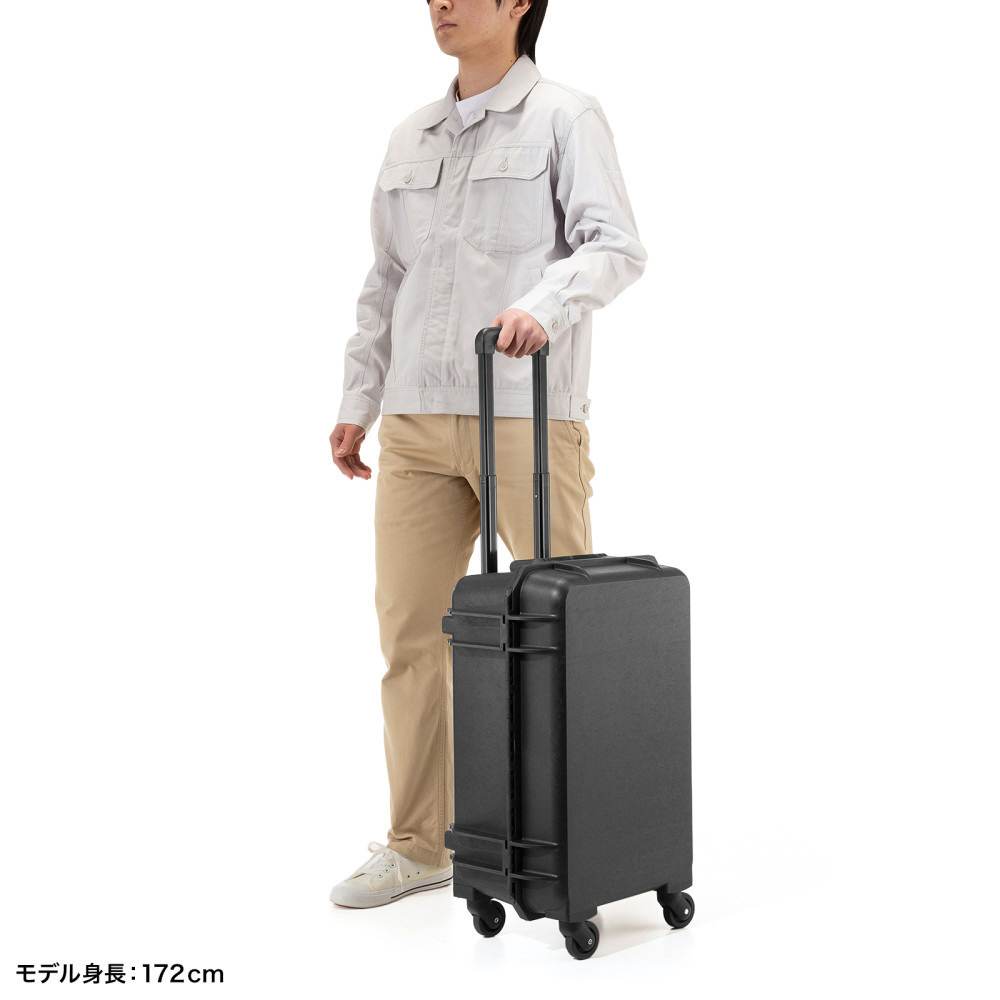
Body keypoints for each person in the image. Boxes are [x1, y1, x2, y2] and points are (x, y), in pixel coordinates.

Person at [328, 0, 647, 908]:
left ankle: (586, 840)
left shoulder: (565, 116)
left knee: (561, 632)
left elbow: (616, 246)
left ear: (519, 4)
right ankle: (418, 842)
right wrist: (358, 400)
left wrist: (543, 306)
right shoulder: (411, 135)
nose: (442, 3)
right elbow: (385, 280)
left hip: (525, 411)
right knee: (411, 637)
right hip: (415, 422)